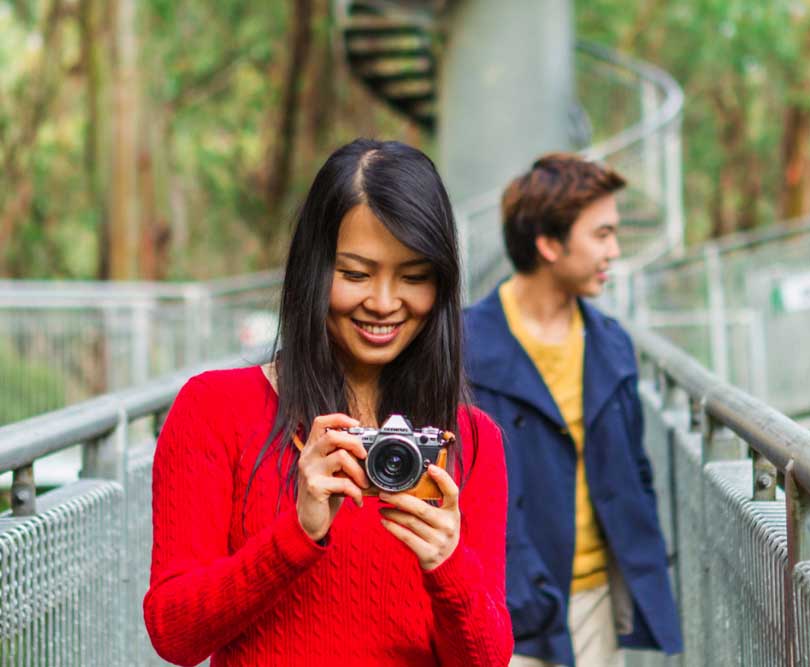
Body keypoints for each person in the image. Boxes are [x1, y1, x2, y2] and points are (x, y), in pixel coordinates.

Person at [144, 139, 513, 667]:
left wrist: (448, 565)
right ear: (313, 271)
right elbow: (174, 635)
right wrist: (296, 535)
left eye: (413, 277)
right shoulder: (214, 409)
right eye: (356, 274)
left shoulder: (470, 440)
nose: (384, 303)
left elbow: (485, 661)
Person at [463, 153, 682, 667]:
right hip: (505, 607)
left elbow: (636, 472)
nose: (615, 250)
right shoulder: (462, 349)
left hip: (597, 601)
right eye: (601, 235)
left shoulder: (611, 344)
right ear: (549, 243)